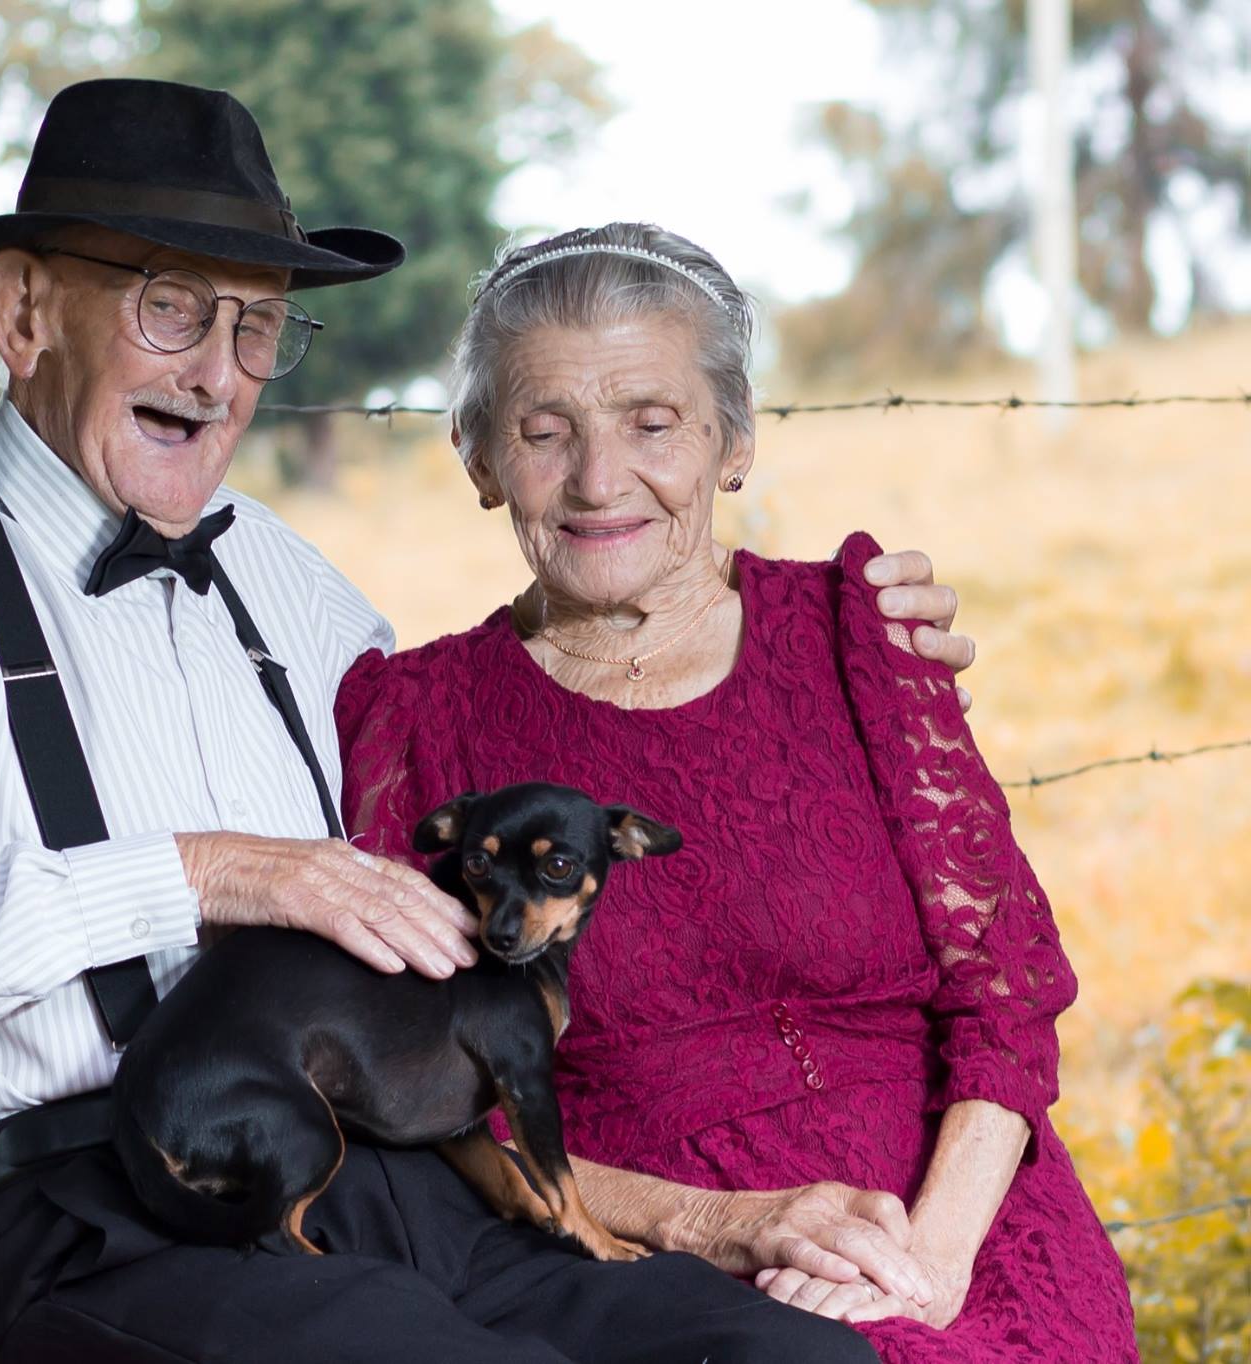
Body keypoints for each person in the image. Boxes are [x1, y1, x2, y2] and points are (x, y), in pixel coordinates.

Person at [0, 80, 977, 1364]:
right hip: (104, 1213)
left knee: (789, 1358)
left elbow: (525, 744)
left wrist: (827, 655)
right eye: (169, 306)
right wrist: (200, 874)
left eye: (256, 326)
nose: (216, 372)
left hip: (406, 1189)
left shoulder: (285, 579)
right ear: (24, 309)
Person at [335, 222, 1140, 1363]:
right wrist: (715, 1228)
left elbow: (1001, 998)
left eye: (650, 422)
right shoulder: (413, 719)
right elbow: (429, 1098)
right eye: (542, 430)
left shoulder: (857, 633)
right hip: (657, 1270)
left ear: (734, 439)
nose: (598, 478)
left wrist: (926, 1267)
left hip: (963, 1222)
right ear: (475, 458)